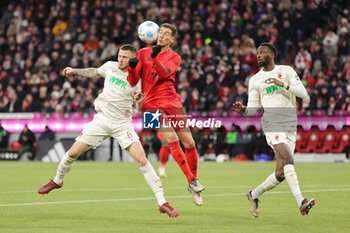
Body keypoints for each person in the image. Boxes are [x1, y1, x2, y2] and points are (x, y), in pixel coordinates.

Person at [37, 44, 178, 218]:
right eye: (119, 55)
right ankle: (57, 181)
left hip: (122, 124)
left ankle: (162, 202)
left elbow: (142, 109)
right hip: (101, 120)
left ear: (133, 60)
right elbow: (93, 72)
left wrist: (140, 102)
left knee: (142, 160)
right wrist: (74, 71)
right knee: (72, 153)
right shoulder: (110, 66)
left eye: (125, 57)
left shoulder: (138, 80)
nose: (120, 59)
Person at [232, 42, 315, 217]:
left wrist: (283, 84)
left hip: (290, 123)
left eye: (262, 52)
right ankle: (301, 201)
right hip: (271, 122)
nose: (258, 55)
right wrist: (244, 111)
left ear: (271, 55)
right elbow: (253, 108)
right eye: (257, 53)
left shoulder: (286, 71)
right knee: (288, 158)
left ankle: (253, 194)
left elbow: (303, 93)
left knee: (281, 173)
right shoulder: (254, 80)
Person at [127, 23, 205, 206]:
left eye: (166, 34)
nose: (161, 36)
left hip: (171, 100)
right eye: (160, 32)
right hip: (149, 104)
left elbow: (163, 73)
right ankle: (192, 182)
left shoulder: (175, 57)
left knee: (190, 143)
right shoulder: (142, 53)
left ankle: (193, 179)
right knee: (169, 137)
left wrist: (154, 58)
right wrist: (131, 68)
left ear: (172, 39)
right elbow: (133, 81)